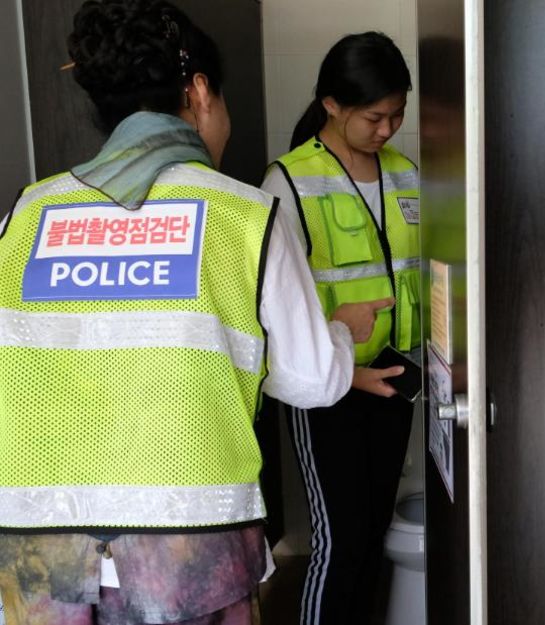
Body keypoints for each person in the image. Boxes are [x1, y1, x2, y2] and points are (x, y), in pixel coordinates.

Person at [0, 1, 388, 623]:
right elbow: (313, 379)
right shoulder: (243, 216)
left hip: (38, 551)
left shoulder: (23, 216)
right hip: (189, 548)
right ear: (200, 92)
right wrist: (342, 333)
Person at [260, 31, 420, 625]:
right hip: (327, 386)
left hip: (395, 379)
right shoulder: (289, 182)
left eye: (397, 115)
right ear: (331, 103)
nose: (387, 130)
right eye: (374, 116)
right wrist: (347, 372)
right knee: (340, 541)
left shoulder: (406, 174)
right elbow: (273, 315)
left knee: (373, 531)